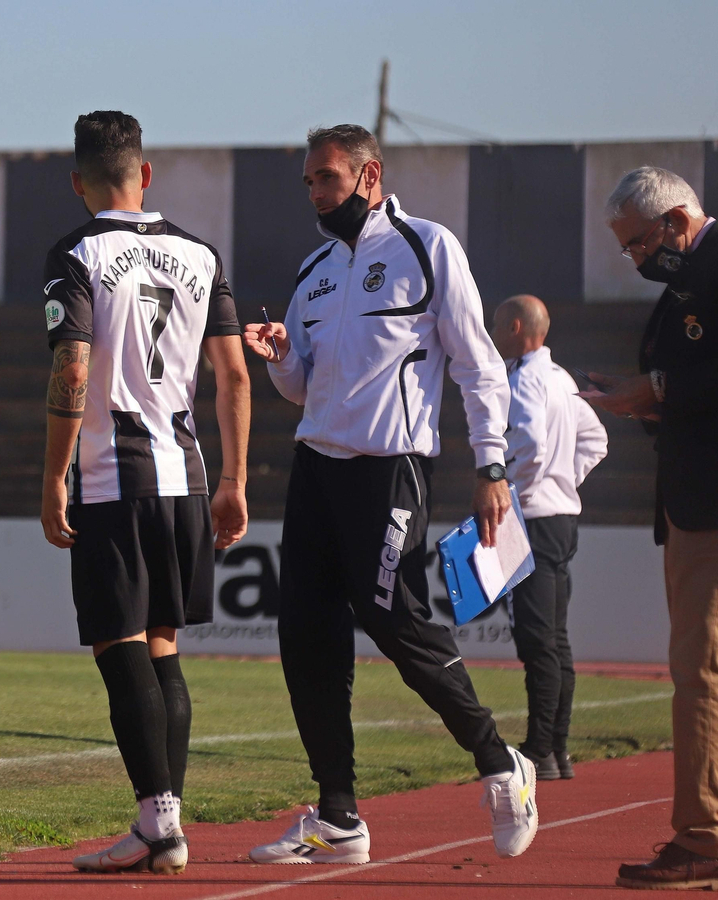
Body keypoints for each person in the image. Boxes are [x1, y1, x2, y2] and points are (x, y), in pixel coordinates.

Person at [242, 124, 538, 864]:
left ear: (369, 176)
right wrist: (281, 359)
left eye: (327, 180)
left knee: (393, 618)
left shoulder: (428, 248)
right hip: (316, 467)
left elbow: (478, 366)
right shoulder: (312, 271)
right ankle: (338, 816)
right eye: (308, 182)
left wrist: (492, 465)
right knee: (303, 633)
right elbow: (306, 384)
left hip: (391, 469)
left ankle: (502, 762)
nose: (314, 194)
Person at [35, 111, 249, 875]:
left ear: (78, 182)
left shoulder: (78, 251)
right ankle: (164, 822)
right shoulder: (199, 252)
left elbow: (73, 365)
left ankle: (159, 824)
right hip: (186, 475)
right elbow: (232, 376)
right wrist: (234, 480)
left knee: (118, 643)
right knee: (163, 645)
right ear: (144, 173)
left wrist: (55, 474)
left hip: (111, 475)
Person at [591, 167, 718, 890]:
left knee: (697, 672)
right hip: (691, 496)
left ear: (675, 220)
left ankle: (702, 835)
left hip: (709, 502)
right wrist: (641, 399)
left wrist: (658, 391)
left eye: (638, 243)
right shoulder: (685, 282)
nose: (634, 258)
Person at [491, 294, 608, 782]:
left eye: (498, 325)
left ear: (517, 327)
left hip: (534, 518)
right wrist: (564, 481)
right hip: (561, 517)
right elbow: (595, 440)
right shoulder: (562, 379)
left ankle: (541, 747)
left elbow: (532, 446)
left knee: (537, 639)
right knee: (554, 639)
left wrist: (514, 492)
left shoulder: (524, 379)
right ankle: (555, 748)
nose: (493, 334)